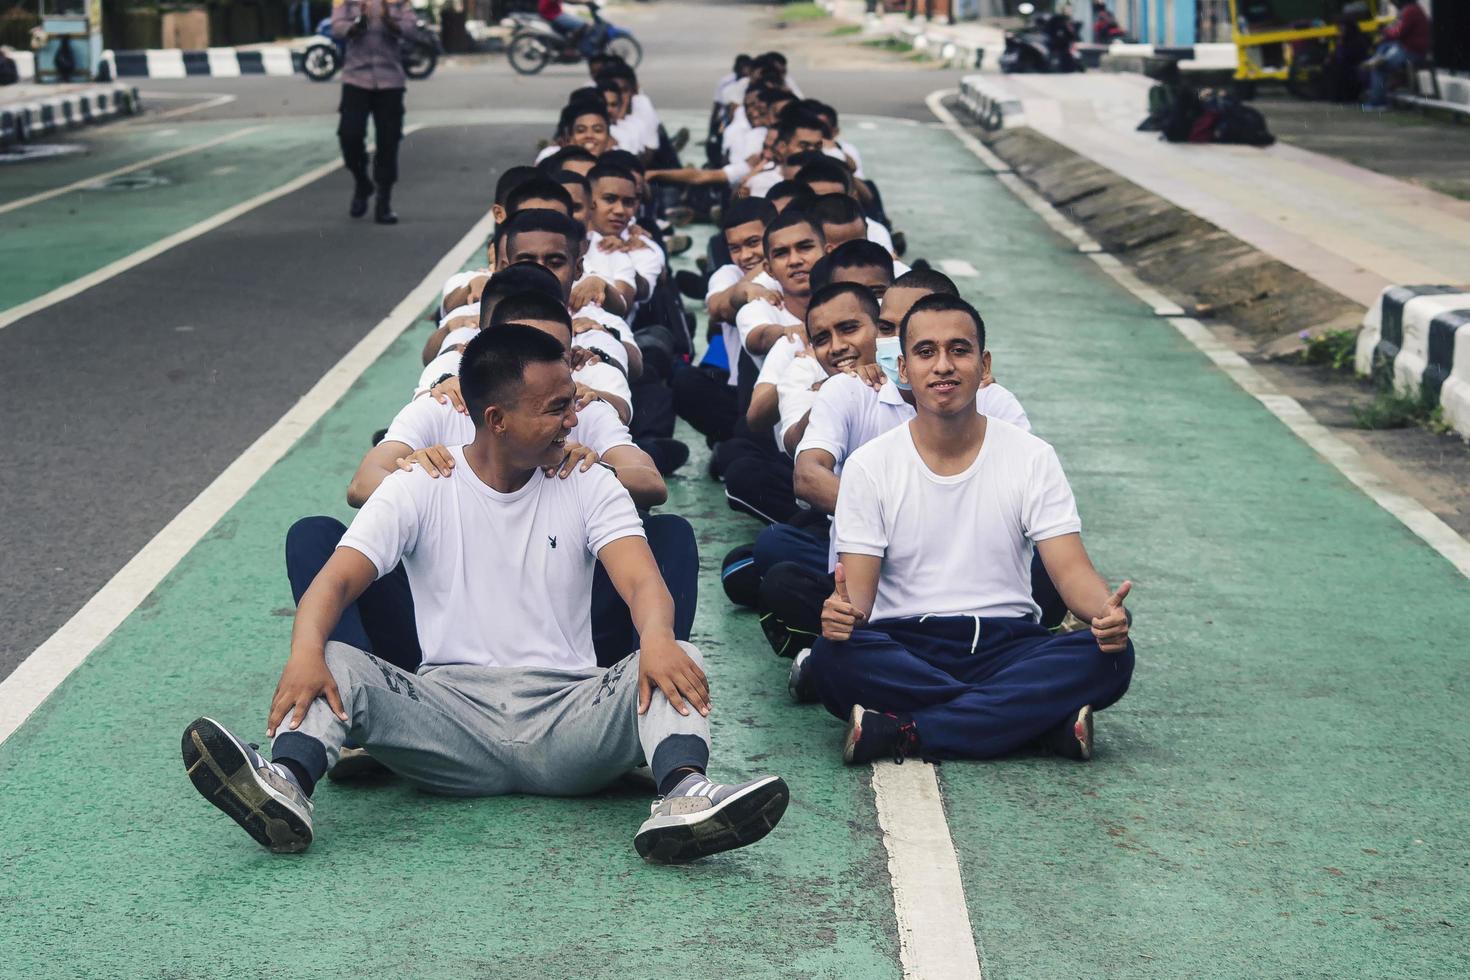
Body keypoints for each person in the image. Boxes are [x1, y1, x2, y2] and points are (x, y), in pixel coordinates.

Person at [183, 327, 790, 862]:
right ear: (496, 418)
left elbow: (640, 580)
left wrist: (656, 640)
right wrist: (303, 654)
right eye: (556, 408)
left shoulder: (587, 481)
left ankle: (683, 795)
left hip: (569, 717)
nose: (573, 420)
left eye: (573, 403)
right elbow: (336, 579)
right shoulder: (420, 484)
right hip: (447, 722)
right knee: (333, 658)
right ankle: (285, 785)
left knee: (679, 653)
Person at [810, 295, 1135, 764]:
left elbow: (1070, 570)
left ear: (983, 365)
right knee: (833, 657)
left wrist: (1106, 616)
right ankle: (1034, 723)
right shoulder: (869, 466)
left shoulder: (1031, 456)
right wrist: (840, 617)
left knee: (1111, 656)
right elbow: (857, 601)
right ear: (903, 368)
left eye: (959, 350)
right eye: (926, 352)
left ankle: (908, 732)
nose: (943, 366)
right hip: (907, 644)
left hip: (1009, 642)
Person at [332, 0, 418, 225]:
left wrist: (392, 23)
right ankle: (362, 182)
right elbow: (337, 26)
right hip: (355, 78)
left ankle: (384, 201)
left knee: (388, 141)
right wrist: (355, 26)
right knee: (349, 135)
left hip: (390, 80)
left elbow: (411, 29)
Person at [1362, 0, 1432, 110]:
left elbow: (1399, 32)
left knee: (1380, 67)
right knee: (1385, 45)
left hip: (1412, 52)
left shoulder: (1410, 11)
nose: (1394, 3)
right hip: (1413, 50)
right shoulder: (1415, 9)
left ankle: (1378, 103)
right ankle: (1378, 58)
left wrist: (1385, 32)